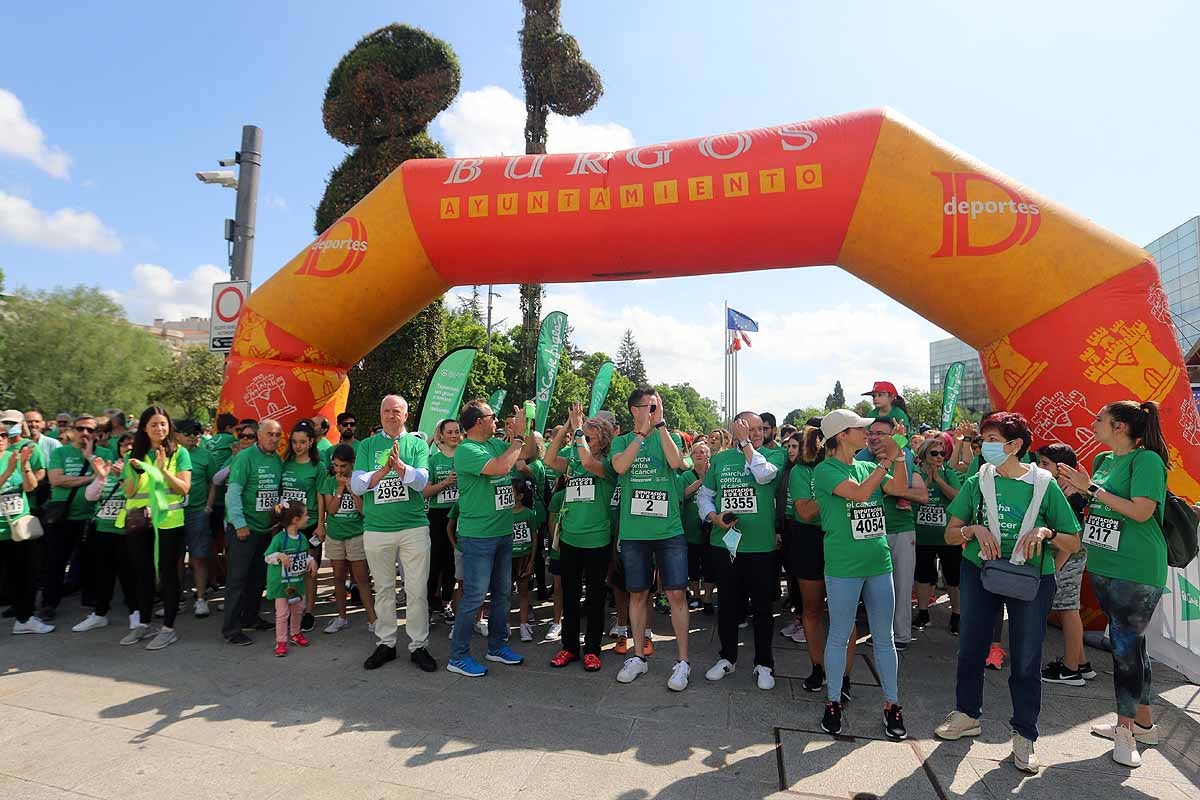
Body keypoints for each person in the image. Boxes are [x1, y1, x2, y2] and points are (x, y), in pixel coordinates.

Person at [936, 411, 1081, 774]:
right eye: (982, 440)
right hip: (979, 571)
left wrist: (1046, 534)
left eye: (993, 440)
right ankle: (967, 713)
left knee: (1027, 657)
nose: (985, 446)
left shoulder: (1044, 483)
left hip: (1031, 576)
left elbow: (1074, 541)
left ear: (1016, 446)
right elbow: (950, 534)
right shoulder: (978, 479)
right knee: (971, 647)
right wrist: (971, 530)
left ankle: (1025, 734)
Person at [1056, 401, 1169, 768]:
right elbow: (1097, 502)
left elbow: (1141, 511)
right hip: (1103, 563)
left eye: (1099, 419)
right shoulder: (1104, 461)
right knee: (1131, 646)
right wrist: (1074, 490)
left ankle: (1125, 731)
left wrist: (1092, 490)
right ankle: (1145, 723)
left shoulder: (1146, 460)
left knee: (1123, 649)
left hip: (1136, 567)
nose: (1093, 424)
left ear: (1119, 427)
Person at [814, 409, 907, 740]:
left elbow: (899, 487)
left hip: (878, 563)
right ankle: (833, 701)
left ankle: (892, 703)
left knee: (885, 637)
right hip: (843, 566)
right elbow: (859, 494)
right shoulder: (825, 471)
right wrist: (887, 461)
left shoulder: (868, 465)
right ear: (842, 435)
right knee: (840, 634)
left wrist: (897, 456)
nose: (867, 433)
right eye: (860, 429)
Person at [448, 400, 537, 676]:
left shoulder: (496, 444)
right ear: (478, 421)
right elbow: (500, 468)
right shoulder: (467, 450)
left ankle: (496, 646)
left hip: (502, 533)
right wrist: (517, 437)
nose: (497, 421)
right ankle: (458, 656)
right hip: (478, 537)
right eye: (492, 417)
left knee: (501, 593)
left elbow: (527, 456)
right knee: (474, 597)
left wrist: (528, 425)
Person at [611, 387, 691, 691]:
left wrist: (659, 426)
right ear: (635, 410)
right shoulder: (622, 441)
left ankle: (682, 662)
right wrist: (640, 436)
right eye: (650, 405)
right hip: (634, 533)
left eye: (658, 404)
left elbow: (677, 463)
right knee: (637, 594)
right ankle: (638, 656)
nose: (656, 408)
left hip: (669, 531)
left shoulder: (665, 435)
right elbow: (620, 466)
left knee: (676, 595)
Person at [351, 395, 437, 673]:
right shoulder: (367, 445)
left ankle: (418, 645)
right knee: (384, 589)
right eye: (386, 411)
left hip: (413, 527)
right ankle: (386, 643)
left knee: (416, 590)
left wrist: (400, 467)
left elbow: (422, 481)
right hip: (377, 530)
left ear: (405, 414)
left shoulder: (417, 444)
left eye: (396, 411)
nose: (390, 415)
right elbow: (357, 485)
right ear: (380, 415)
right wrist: (384, 470)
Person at [699, 412, 781, 690]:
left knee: (761, 608)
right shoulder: (720, 460)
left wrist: (747, 443)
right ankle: (727, 657)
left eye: (760, 429)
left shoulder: (774, 456)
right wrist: (713, 517)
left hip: (760, 547)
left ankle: (764, 663)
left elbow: (763, 475)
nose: (757, 433)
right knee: (729, 606)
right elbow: (705, 494)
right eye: (749, 429)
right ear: (734, 429)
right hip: (725, 545)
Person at [543, 403, 617, 672]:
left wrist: (577, 430)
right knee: (570, 596)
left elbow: (587, 461)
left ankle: (593, 650)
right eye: (583, 435)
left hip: (597, 539)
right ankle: (569, 647)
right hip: (570, 538)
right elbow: (549, 460)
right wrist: (566, 425)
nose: (584, 439)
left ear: (603, 440)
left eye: (590, 436)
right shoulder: (573, 459)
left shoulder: (607, 464)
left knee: (595, 599)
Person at [120, 406, 192, 651]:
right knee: (142, 573)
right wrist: (133, 472)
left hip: (169, 523)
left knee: (168, 574)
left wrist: (162, 472)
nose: (159, 429)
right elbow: (129, 491)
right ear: (144, 428)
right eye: (153, 424)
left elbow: (184, 488)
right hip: (140, 523)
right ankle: (143, 623)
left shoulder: (179, 453)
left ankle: (168, 628)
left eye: (163, 423)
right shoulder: (134, 455)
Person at [863, 417, 927, 650]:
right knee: (876, 588)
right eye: (871, 433)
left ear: (893, 437)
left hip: (900, 531)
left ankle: (900, 635)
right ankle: (879, 633)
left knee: (901, 585)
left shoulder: (906, 456)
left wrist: (896, 489)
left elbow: (922, 496)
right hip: (871, 532)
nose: (874, 437)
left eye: (881, 433)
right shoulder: (861, 457)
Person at [1035, 444, 1094, 687]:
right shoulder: (1059, 489)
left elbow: (1072, 539)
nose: (1040, 468)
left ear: (1062, 469)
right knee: (1067, 610)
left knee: (1068, 611)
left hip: (1067, 558)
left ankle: (1070, 671)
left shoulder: (1070, 495)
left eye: (1045, 464)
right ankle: (1081, 663)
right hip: (1065, 557)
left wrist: (1056, 568)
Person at [789, 426, 842, 692]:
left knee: (844, 614)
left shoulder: (846, 468)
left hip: (840, 537)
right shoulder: (800, 471)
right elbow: (805, 511)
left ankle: (843, 674)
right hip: (809, 539)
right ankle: (818, 666)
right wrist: (832, 492)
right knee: (812, 610)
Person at [222, 419, 283, 646]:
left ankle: (251, 617)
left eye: (277, 435)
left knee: (258, 578)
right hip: (243, 530)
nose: (274, 439)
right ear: (259, 435)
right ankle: (231, 629)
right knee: (237, 580)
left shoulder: (276, 460)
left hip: (264, 529)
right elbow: (233, 493)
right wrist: (239, 524)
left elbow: (274, 494)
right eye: (270, 434)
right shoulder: (244, 458)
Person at [73, 433, 137, 634]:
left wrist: (122, 477)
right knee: (103, 574)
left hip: (129, 532)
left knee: (129, 575)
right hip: (103, 531)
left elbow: (134, 494)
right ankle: (100, 614)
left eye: (131, 445)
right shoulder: (108, 467)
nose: (127, 448)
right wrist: (101, 476)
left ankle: (136, 614)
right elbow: (91, 496)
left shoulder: (140, 469)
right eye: (124, 445)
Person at [40, 414, 100, 621]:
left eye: (90, 430)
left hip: (91, 517)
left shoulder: (104, 453)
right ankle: (49, 603)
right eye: (81, 428)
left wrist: (90, 459)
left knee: (90, 562)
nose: (85, 433)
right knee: (56, 562)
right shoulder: (60, 452)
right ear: (73, 430)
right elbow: (56, 480)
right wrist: (90, 478)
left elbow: (106, 479)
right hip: (62, 518)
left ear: (96, 433)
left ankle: (90, 599)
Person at [319, 443, 375, 633]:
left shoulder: (360, 481)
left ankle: (373, 619)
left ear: (352, 464)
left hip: (356, 535)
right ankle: (341, 617)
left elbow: (363, 511)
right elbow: (331, 510)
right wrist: (340, 489)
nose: (339, 470)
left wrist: (352, 489)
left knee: (361, 579)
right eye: (336, 465)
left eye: (343, 466)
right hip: (335, 536)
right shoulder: (329, 481)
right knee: (338, 577)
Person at [0, 430, 51, 634]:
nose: (0, 439)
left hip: (20, 528)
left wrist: (24, 466)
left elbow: (30, 487)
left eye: (3, 435)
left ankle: (24, 619)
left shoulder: (13, 456)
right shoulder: (9, 462)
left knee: (25, 576)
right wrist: (9, 470)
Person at [913, 437, 963, 635]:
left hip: (947, 535)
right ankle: (923, 612)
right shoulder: (915, 473)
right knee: (923, 576)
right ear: (924, 455)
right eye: (934, 453)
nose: (939, 457)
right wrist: (926, 479)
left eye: (942, 453)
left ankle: (957, 614)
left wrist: (939, 480)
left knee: (953, 577)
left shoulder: (949, 473)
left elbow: (957, 498)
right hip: (923, 535)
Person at [263, 500, 318, 657]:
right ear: (296, 519)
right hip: (281, 585)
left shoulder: (301, 538)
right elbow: (267, 557)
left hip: (297, 584)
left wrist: (311, 561)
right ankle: (281, 641)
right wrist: (279, 556)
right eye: (306, 515)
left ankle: (296, 633)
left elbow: (304, 556)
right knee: (282, 614)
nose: (308, 518)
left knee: (298, 610)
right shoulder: (279, 539)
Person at [282, 420, 323, 633]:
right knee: (289, 570)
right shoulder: (285, 463)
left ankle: (309, 612)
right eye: (294, 442)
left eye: (302, 442)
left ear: (311, 442)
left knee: (309, 571)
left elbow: (321, 496)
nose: (297, 446)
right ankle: (291, 609)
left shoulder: (318, 467)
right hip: (288, 527)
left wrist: (321, 525)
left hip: (310, 525)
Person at [176, 420, 216, 617]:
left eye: (196, 433)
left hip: (196, 512)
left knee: (198, 556)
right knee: (174, 558)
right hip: (173, 512)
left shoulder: (205, 456)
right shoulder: (169, 455)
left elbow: (213, 482)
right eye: (188, 432)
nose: (192, 436)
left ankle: (201, 599)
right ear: (177, 435)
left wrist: (208, 506)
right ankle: (177, 598)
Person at [423, 418, 461, 623]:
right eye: (450, 432)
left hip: (461, 514)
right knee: (434, 562)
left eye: (457, 431)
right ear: (442, 435)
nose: (454, 435)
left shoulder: (465, 455)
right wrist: (445, 483)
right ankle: (430, 603)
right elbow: (424, 492)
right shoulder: (434, 460)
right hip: (438, 515)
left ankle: (447, 602)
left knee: (452, 562)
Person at [681, 440, 714, 613]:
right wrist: (699, 482)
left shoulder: (714, 473)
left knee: (709, 566)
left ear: (709, 455)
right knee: (693, 566)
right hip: (691, 529)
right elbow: (682, 495)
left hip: (711, 529)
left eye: (703, 451)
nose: (699, 454)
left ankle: (708, 598)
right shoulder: (686, 476)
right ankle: (695, 595)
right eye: (695, 452)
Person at [509, 479, 537, 641]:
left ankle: (524, 624)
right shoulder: (504, 514)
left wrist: (532, 560)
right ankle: (504, 626)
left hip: (524, 558)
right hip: (508, 558)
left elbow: (534, 538)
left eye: (510, 492)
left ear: (519, 496)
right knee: (504, 593)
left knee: (524, 593)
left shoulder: (528, 514)